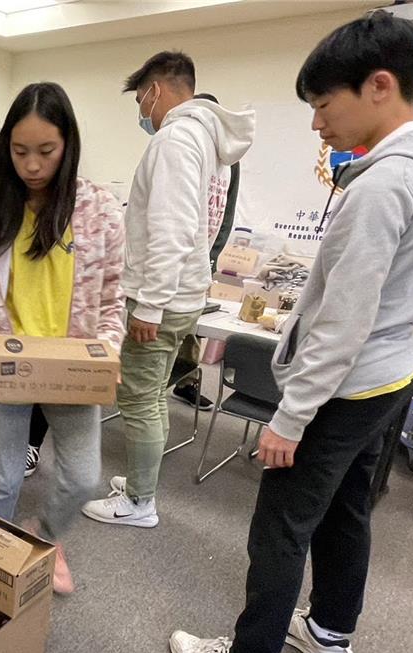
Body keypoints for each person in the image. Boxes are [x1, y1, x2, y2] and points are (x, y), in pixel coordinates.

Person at [170, 12, 413, 653]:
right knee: (347, 508)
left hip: (345, 384)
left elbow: (343, 323)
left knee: (282, 520)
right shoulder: (411, 170)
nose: (317, 125)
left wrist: (291, 415)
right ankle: (330, 632)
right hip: (389, 376)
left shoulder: (380, 185)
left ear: (378, 86)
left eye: (322, 106)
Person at [0, 82, 126, 595]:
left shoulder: (98, 210)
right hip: (9, 366)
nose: (32, 165)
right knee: (3, 480)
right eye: (20, 151)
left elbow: (115, 298)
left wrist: (109, 351)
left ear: (68, 145)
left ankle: (45, 539)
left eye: (46, 151)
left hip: (72, 369)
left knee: (80, 478)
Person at [81, 51, 254, 528]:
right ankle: (140, 484)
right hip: (185, 291)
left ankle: (139, 503)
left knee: (138, 397)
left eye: (141, 101)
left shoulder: (176, 139)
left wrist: (150, 305)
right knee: (154, 392)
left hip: (162, 296)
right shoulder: (209, 142)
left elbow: (173, 229)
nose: (142, 114)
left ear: (156, 90)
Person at [169, 92, 243, 413]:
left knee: (190, 327)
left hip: (200, 255)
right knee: (176, 328)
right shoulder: (180, 145)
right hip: (175, 254)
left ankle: (186, 380)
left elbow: (225, 209)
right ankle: (175, 379)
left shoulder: (226, 157)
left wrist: (211, 255)